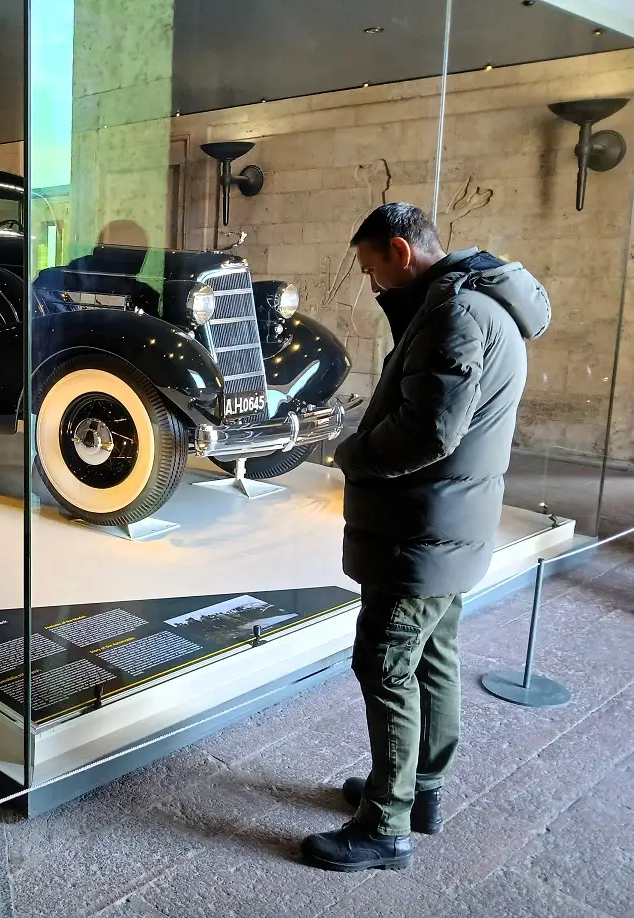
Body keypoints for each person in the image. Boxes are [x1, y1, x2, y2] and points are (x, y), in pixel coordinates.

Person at [300, 203, 551, 872]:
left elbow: (428, 432)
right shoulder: (481, 304)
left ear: (400, 252)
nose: (374, 283)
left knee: (383, 661)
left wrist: (350, 454)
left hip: (422, 527)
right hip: (451, 521)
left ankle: (385, 826)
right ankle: (418, 792)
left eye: (372, 268)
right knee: (433, 654)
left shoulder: (455, 314)